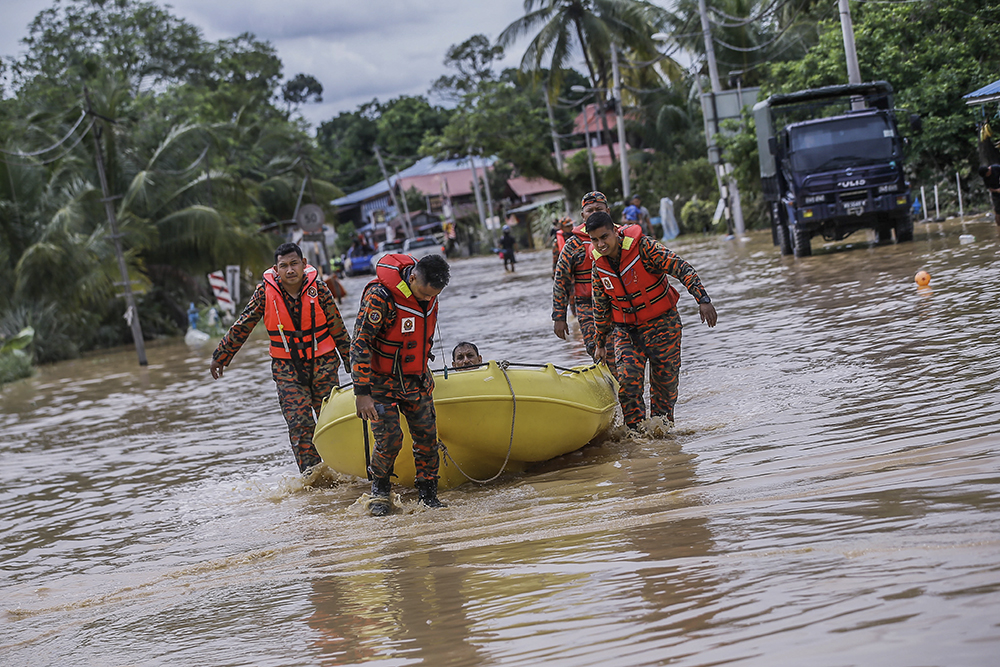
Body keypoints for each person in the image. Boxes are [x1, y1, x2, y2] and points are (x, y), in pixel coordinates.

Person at [210, 242, 351, 473]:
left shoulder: (320, 288)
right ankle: (313, 479)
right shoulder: (264, 293)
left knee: (331, 421)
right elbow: (243, 325)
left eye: (294, 263)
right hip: (287, 370)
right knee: (299, 424)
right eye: (283, 266)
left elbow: (337, 327)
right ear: (275, 270)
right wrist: (221, 355)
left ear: (304, 264)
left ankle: (343, 471)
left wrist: (352, 361)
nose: (290, 270)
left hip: (323, 365)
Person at [587, 211, 718, 429]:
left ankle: (664, 443)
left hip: (663, 327)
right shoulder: (598, 266)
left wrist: (702, 299)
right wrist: (600, 343)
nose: (600, 244)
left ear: (616, 232)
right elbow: (600, 307)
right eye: (595, 240)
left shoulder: (644, 248)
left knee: (664, 394)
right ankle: (637, 441)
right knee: (628, 387)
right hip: (627, 332)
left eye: (604, 237)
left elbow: (681, 267)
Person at [352, 253, 451, 516]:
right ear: (413, 276)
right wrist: (362, 393)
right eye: (423, 293)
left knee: (428, 437)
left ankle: (428, 496)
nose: (426, 299)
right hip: (381, 382)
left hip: (416, 378)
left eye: (432, 296)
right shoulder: (381, 297)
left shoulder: (429, 296)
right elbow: (360, 344)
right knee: (390, 438)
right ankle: (380, 491)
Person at [552, 192, 616, 373]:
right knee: (596, 348)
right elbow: (561, 281)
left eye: (599, 209)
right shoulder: (573, 245)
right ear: (583, 215)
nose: (594, 213)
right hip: (588, 306)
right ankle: (615, 391)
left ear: (608, 211)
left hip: (618, 301)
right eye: (590, 210)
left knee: (625, 348)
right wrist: (559, 316)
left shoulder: (619, 236)